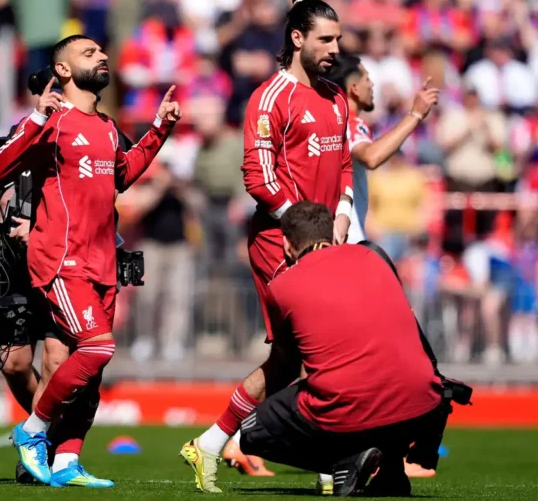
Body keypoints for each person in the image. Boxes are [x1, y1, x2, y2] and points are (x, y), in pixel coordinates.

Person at [0, 34, 181, 487]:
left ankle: (66, 461)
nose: (103, 56)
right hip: (62, 260)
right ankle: (33, 430)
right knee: (97, 347)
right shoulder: (52, 120)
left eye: (101, 51)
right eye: (89, 53)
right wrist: (38, 116)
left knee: (86, 370)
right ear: (62, 69)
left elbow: (122, 176)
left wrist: (159, 128)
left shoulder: (108, 127)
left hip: (103, 262)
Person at [180, 0, 353, 493]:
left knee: (288, 361)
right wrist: (304, 229)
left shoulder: (337, 98)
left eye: (338, 39)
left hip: (324, 242)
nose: (334, 48)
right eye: (325, 39)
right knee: (319, 350)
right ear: (297, 39)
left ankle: (210, 443)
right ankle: (329, 463)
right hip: (281, 242)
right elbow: (258, 176)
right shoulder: (269, 97)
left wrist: (342, 213)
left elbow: (344, 165)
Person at [187, 201, 448, 496]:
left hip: (357, 410)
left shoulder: (283, 286)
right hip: (427, 406)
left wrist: (225, 426)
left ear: (286, 244)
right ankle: (391, 470)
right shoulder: (373, 256)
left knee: (252, 432)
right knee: (377, 384)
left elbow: (284, 366)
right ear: (332, 232)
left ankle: (346, 459)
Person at [325, 53, 440, 245]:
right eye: (367, 79)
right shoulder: (350, 123)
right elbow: (371, 157)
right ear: (354, 88)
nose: (372, 85)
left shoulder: (326, 122)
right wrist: (415, 114)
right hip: (346, 239)